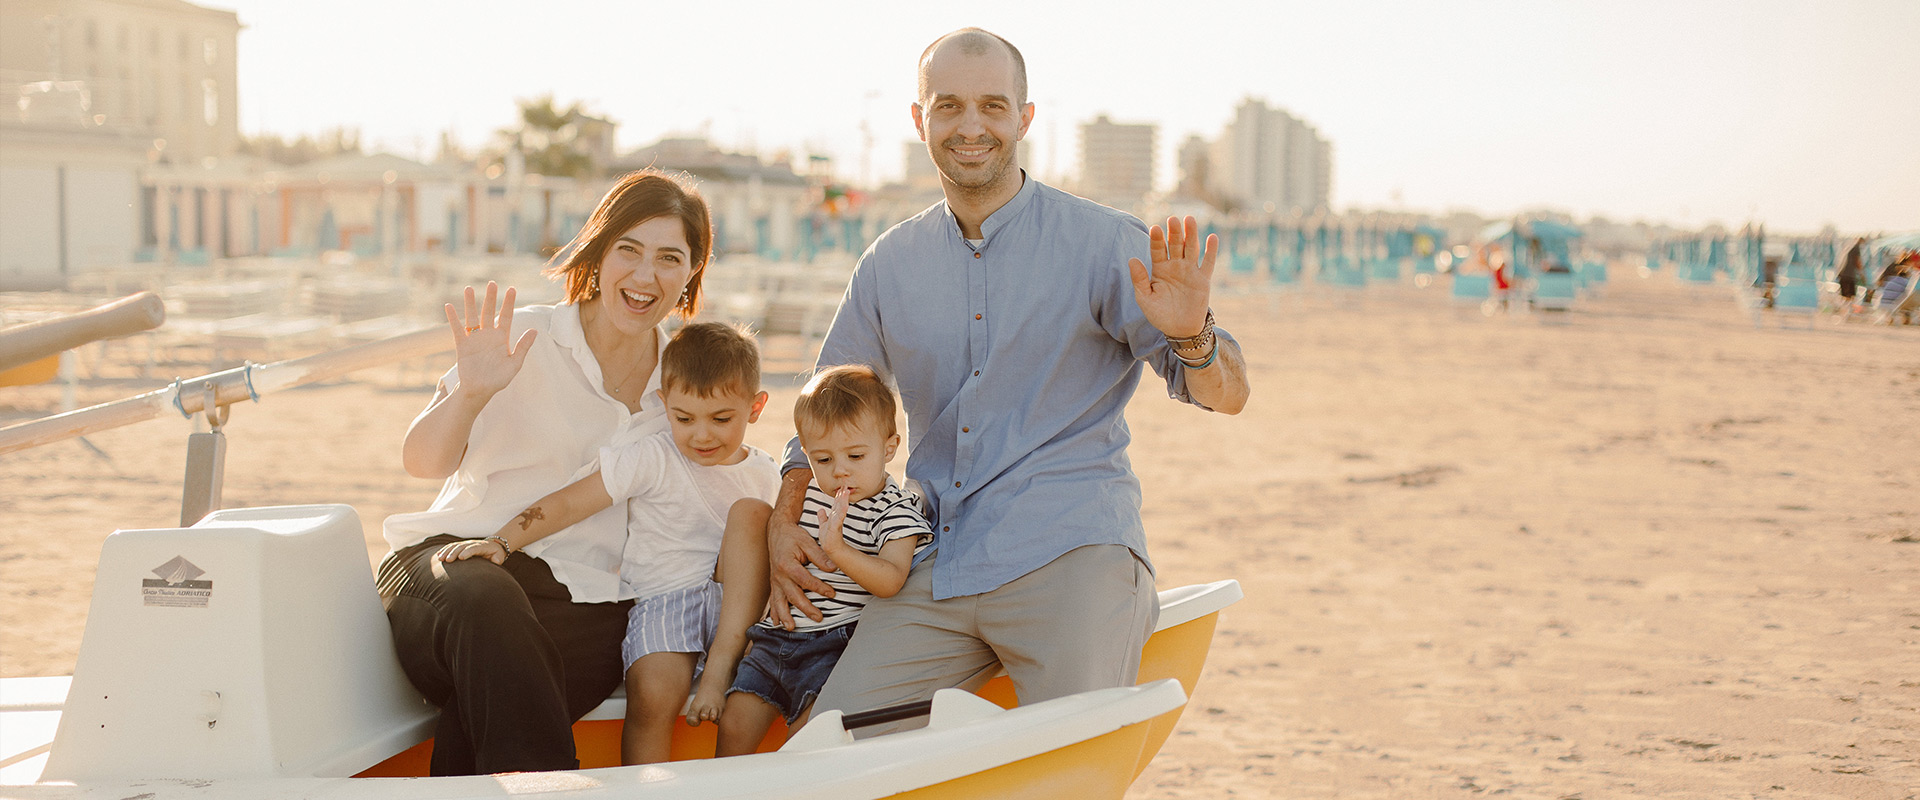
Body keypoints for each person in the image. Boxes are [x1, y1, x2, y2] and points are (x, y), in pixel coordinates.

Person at [764, 27, 1252, 726]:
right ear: (919, 119)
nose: (971, 127)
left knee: (1072, 748)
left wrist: (1192, 336)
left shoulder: (1106, 243)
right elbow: (820, 406)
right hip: (934, 563)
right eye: (950, 106)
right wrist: (786, 519)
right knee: (828, 751)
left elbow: (1228, 395)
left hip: (1070, 549)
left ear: (1024, 118)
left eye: (993, 106)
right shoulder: (888, 264)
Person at [376, 169, 713, 775]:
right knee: (491, 606)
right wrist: (472, 394)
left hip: (585, 599)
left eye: (669, 258)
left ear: (691, 272)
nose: (644, 276)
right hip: (452, 571)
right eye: (628, 251)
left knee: (504, 695)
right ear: (598, 252)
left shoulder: (684, 387)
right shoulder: (526, 337)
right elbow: (421, 462)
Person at [440, 322, 779, 765]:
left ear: (755, 408)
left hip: (738, 603)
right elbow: (569, 504)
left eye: (721, 419)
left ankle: (724, 703)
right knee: (653, 693)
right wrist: (504, 540)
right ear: (664, 404)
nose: (702, 435)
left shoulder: (766, 472)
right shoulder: (654, 455)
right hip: (666, 600)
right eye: (684, 418)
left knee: (752, 519)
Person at [714, 365, 932, 756]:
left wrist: (839, 550)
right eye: (823, 459)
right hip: (775, 640)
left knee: (809, 740)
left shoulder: (895, 511)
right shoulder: (811, 495)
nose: (840, 470)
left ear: (888, 447)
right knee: (733, 725)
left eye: (855, 455)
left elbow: (892, 578)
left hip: (834, 646)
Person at [1838, 237, 1864, 312]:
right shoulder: (1856, 247)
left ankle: (1844, 312)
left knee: (1845, 296)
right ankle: (1848, 312)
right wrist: (1862, 274)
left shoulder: (1848, 246)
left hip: (1842, 274)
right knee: (1850, 295)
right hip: (1849, 275)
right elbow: (1857, 262)